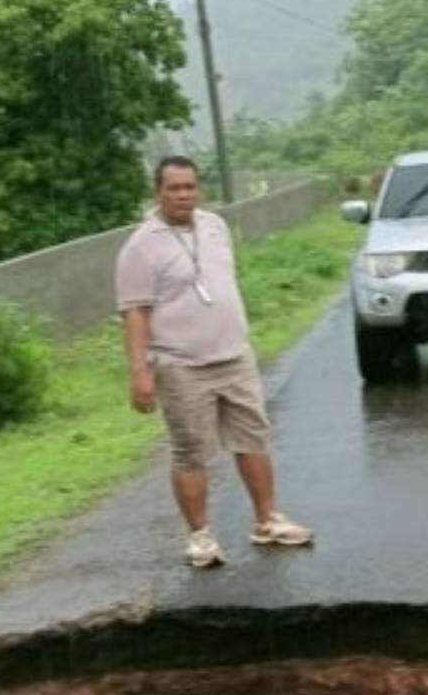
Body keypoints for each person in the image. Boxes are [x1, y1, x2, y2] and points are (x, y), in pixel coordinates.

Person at [116, 156, 313, 568]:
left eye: (190, 186)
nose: (184, 195)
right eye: (174, 188)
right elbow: (135, 312)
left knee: (252, 438)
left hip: (234, 355)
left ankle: (267, 520)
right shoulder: (140, 246)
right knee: (190, 450)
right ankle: (200, 537)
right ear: (158, 192)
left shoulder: (214, 226)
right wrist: (140, 373)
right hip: (180, 364)